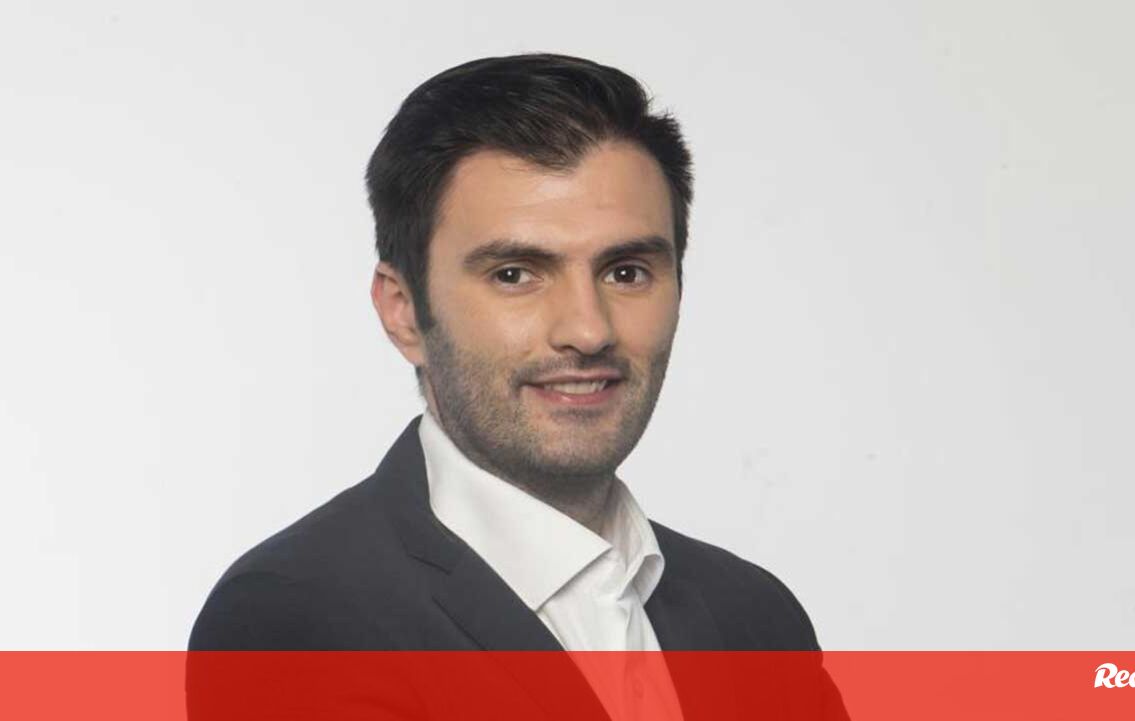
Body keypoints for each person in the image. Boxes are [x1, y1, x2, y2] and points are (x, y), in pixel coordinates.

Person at [188, 53, 847, 719]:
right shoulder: (298, 616)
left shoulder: (756, 618)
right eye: (515, 274)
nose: (587, 330)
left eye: (626, 272)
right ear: (404, 311)